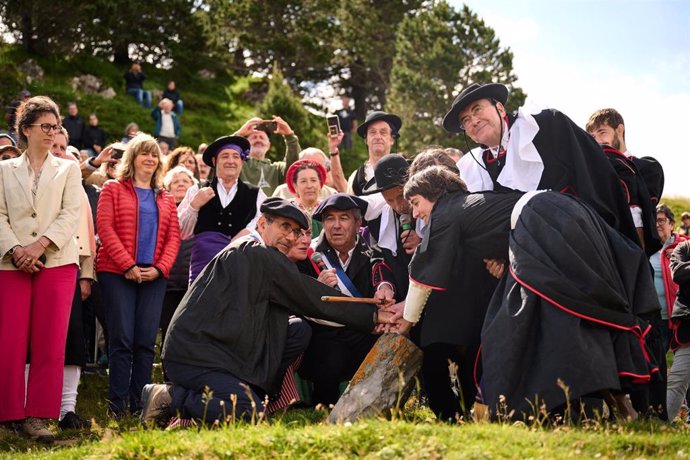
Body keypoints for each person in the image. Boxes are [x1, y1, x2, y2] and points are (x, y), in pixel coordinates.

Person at [397, 166, 660, 421]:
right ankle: (623, 409)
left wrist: (405, 324)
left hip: (543, 220)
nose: (416, 213)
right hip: (559, 213)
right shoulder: (470, 205)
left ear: (435, 192)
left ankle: (498, 412)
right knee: (576, 317)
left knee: (516, 327)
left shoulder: (446, 210)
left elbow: (423, 273)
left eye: (417, 202)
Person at [141, 198, 393, 426]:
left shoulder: (259, 253)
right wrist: (372, 316)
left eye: (296, 231)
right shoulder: (254, 252)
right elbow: (311, 297)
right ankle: (167, 397)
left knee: (297, 331)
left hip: (226, 350)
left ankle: (257, 394)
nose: (291, 236)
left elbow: (307, 303)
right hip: (197, 355)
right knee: (244, 411)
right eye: (284, 227)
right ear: (262, 224)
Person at [443, 83, 637, 244]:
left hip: (583, 236)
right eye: (465, 120)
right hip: (530, 249)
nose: (474, 121)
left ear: (500, 108)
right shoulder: (482, 166)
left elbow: (593, 176)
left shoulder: (544, 125)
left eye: (477, 109)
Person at [0, 95, 81, 442]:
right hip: (10, 263)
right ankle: (8, 414)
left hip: (57, 262)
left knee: (49, 342)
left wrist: (39, 246)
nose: (52, 132)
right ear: (26, 129)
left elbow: (71, 213)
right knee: (9, 340)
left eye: (56, 127)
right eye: (45, 126)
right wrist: (17, 250)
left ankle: (37, 417)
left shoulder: (69, 168)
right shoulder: (3, 170)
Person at [96, 133, 180, 417]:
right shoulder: (112, 188)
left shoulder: (165, 197)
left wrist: (159, 268)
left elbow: (173, 239)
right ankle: (117, 406)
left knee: (145, 342)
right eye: (144, 153)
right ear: (132, 157)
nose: (150, 158)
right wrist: (127, 266)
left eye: (155, 154)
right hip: (117, 273)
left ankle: (141, 404)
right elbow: (105, 230)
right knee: (121, 340)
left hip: (154, 276)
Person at [298, 194, 397, 406]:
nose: (335, 226)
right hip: (328, 335)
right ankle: (323, 407)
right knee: (328, 354)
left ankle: (374, 408)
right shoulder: (309, 256)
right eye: (329, 219)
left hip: (366, 334)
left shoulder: (375, 252)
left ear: (358, 223)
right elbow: (305, 304)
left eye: (343, 218)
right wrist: (318, 288)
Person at [48, 128, 96, 430]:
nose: (59, 151)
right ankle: (32, 406)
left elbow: (85, 232)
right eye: (54, 145)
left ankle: (67, 409)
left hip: (71, 270)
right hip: (32, 266)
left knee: (73, 339)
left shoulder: (74, 184)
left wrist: (86, 275)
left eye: (64, 146)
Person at [177, 135, 266, 282]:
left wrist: (248, 233)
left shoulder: (256, 194)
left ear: (242, 162)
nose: (231, 161)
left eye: (236, 156)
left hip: (240, 267)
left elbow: (263, 225)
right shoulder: (196, 190)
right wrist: (194, 206)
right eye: (225, 156)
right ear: (214, 161)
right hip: (202, 269)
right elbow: (181, 232)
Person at [362, 154, 422, 300]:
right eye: (389, 200)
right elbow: (378, 257)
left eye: (401, 196)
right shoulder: (378, 222)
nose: (397, 206)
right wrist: (385, 285)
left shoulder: (431, 212)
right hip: (401, 300)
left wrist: (423, 243)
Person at [159, 166, 197, 373]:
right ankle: (169, 376)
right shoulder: (162, 210)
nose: (181, 183)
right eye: (176, 181)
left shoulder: (201, 211)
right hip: (169, 282)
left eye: (186, 180)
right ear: (167, 187)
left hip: (194, 282)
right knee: (170, 330)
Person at [586, 108, 665, 206]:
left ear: (619, 130)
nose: (598, 141)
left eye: (602, 132)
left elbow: (640, 213)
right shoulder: (588, 172)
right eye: (592, 137)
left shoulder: (647, 167)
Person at [651, 204, 690, 352]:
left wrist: (678, 256)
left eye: (661, 220)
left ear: (672, 224)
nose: (656, 225)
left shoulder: (682, 246)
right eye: (654, 221)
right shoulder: (648, 248)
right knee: (657, 361)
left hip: (681, 317)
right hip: (657, 318)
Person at [234, 116, 301, 195]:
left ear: (269, 146)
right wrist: (239, 134)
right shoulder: (236, 164)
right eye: (254, 137)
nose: (258, 140)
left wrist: (290, 136)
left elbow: (296, 167)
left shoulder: (277, 170)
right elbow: (222, 155)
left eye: (262, 137)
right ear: (246, 144)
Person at [347, 111, 402, 196]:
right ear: (366, 140)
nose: (377, 137)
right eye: (372, 132)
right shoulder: (355, 179)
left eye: (383, 132)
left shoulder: (404, 171)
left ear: (392, 139)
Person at [272, 148, 339, 199]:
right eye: (306, 166)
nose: (311, 171)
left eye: (317, 168)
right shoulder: (282, 191)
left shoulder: (331, 194)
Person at [284, 159, 328, 235]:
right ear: (295, 186)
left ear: (320, 184)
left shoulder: (328, 209)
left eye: (313, 180)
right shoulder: (287, 209)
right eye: (303, 181)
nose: (309, 186)